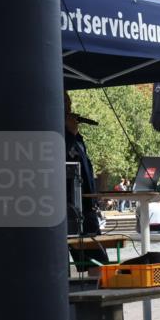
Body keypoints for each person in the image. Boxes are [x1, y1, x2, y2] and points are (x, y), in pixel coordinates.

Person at [64, 93, 109, 277]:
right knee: (94, 259)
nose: (69, 106)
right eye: (65, 102)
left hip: (86, 205)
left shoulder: (73, 135)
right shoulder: (54, 130)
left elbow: (83, 166)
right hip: (70, 207)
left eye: (69, 102)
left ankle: (98, 293)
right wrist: (70, 135)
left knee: (97, 259)